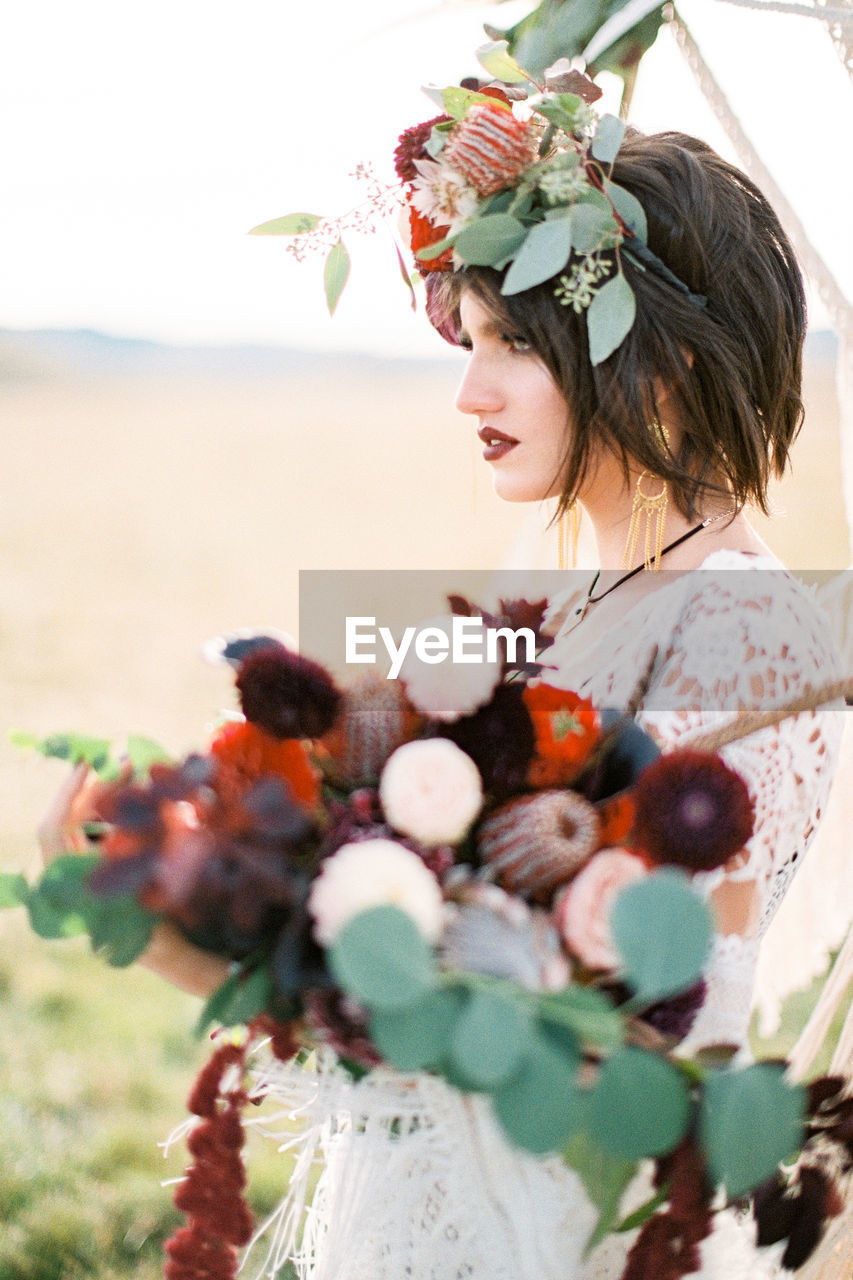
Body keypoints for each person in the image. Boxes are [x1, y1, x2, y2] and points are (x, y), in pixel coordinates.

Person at [40, 93, 846, 1279]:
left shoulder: (746, 629)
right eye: (467, 339)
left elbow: (609, 1031)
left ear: (664, 359)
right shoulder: (589, 598)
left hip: (567, 1230)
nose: (468, 392)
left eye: (513, 344)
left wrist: (192, 947)